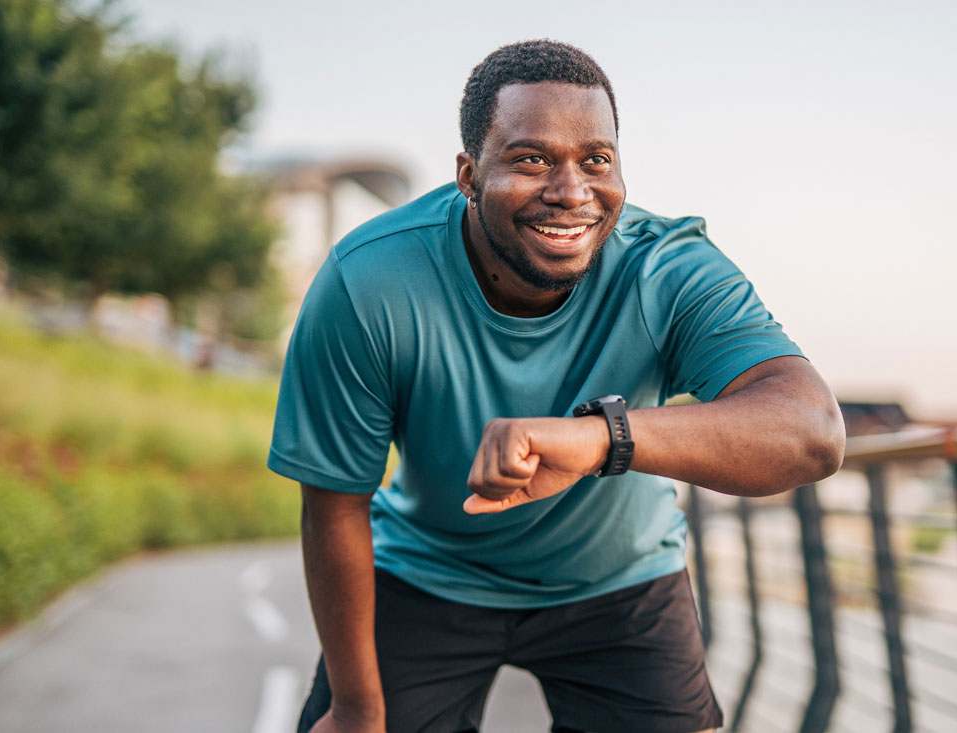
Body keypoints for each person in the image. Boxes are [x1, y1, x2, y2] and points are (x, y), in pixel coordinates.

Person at [268, 39, 845, 733]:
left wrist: (601, 437)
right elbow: (334, 505)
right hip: (427, 572)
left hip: (619, 581)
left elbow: (812, 432)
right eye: (531, 159)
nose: (572, 191)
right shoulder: (368, 281)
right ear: (468, 174)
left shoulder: (668, 269)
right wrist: (358, 707)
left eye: (595, 160)